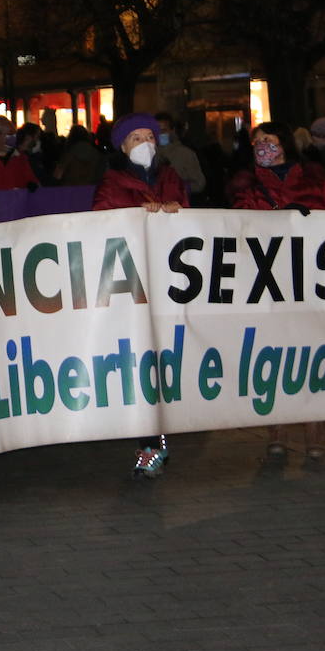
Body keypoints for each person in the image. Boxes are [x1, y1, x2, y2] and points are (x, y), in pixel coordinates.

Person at [228, 121, 325, 459]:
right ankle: (277, 430)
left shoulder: (312, 177)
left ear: (285, 144)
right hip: (267, 280)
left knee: (310, 354)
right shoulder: (246, 183)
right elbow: (240, 221)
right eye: (257, 142)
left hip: (308, 276)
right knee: (273, 355)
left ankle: (314, 433)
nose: (263, 146)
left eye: (269, 140)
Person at [91, 114, 187, 477]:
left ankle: (158, 439)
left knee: (164, 361)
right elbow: (100, 220)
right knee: (143, 365)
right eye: (136, 138)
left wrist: (175, 213)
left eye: (150, 136)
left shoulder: (170, 176)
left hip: (167, 283)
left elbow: (189, 218)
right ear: (122, 146)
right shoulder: (112, 182)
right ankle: (150, 445)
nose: (145, 143)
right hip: (132, 288)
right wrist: (134, 216)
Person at [155, 112, 206, 198]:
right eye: (156, 131)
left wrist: (181, 188)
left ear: (172, 130)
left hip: (178, 205)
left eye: (163, 131)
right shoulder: (149, 153)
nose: (160, 134)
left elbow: (199, 183)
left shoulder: (186, 154)